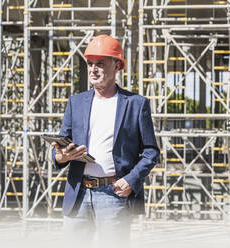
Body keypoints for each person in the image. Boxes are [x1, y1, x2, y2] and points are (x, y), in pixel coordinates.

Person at [51, 34, 160, 246]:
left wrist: (131, 180)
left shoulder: (136, 104)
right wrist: (60, 156)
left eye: (100, 64)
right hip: (78, 194)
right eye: (90, 64)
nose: (93, 69)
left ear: (117, 65)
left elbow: (151, 152)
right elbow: (61, 144)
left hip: (113, 195)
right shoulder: (76, 103)